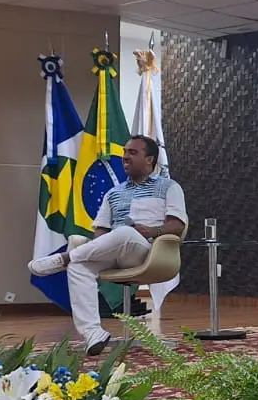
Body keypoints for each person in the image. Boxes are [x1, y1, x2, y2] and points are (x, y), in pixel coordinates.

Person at [28, 135, 187, 355]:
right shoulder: (114, 193)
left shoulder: (169, 187)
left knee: (123, 233)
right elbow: (101, 231)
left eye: (133, 153)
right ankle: (94, 333)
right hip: (115, 249)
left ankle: (65, 257)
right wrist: (98, 247)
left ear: (150, 160)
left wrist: (152, 231)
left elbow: (177, 225)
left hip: (149, 251)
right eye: (125, 152)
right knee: (79, 266)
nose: (125, 157)